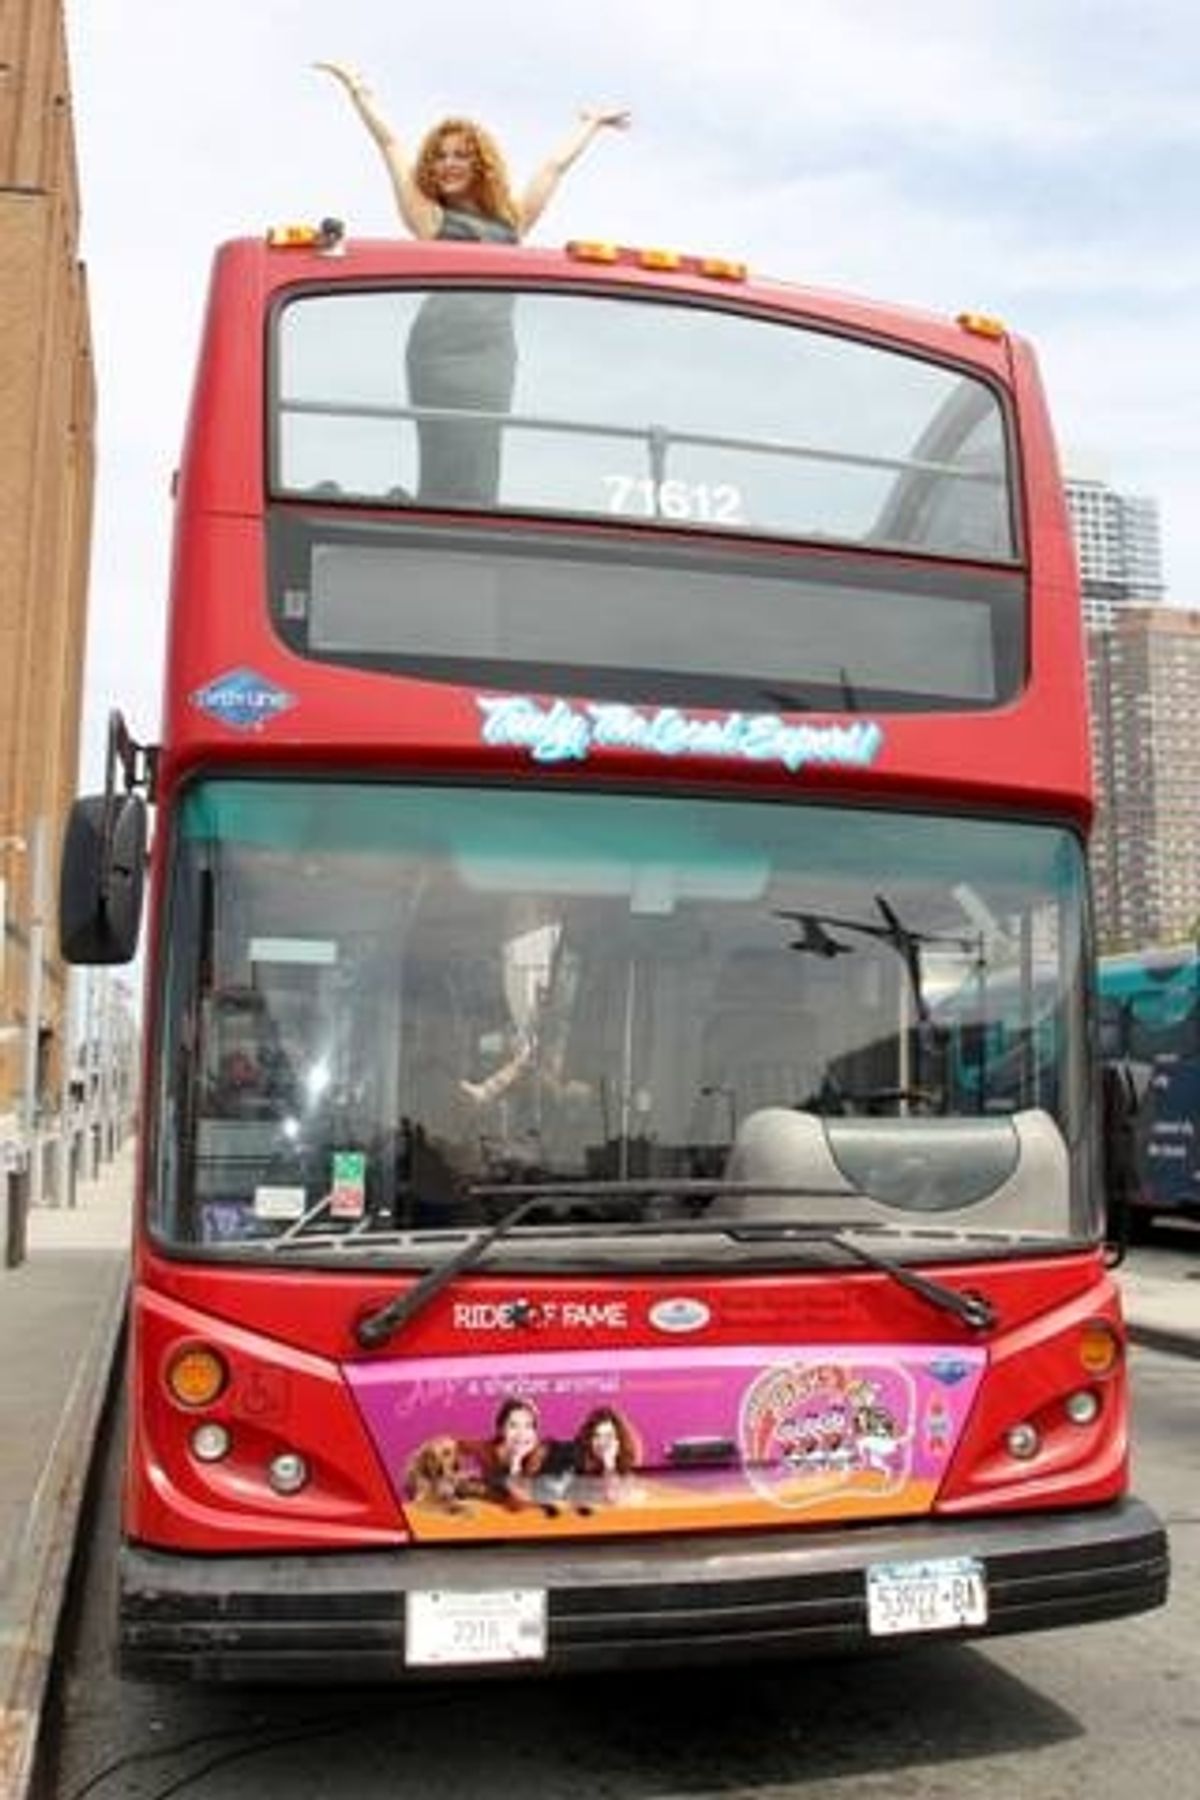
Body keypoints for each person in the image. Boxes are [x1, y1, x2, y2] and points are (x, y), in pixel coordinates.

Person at [314, 64, 630, 502]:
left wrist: (590, 126)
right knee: (444, 444)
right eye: (440, 156)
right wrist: (360, 95)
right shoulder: (430, 219)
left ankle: (472, 519)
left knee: (483, 448)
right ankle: (432, 515)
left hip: (494, 354)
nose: (449, 164)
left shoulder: (511, 222)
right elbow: (390, 143)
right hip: (439, 351)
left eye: (460, 155)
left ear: (480, 162)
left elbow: (552, 169)